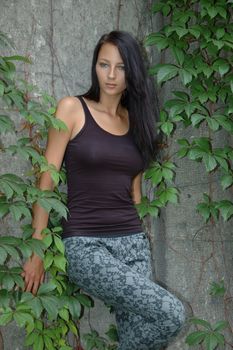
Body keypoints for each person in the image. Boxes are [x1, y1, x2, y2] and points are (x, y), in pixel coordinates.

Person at [22, 30, 185, 350]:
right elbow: (47, 179)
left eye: (121, 67)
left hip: (133, 244)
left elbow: (133, 191)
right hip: (85, 243)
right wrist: (37, 247)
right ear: (94, 67)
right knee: (172, 313)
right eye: (104, 64)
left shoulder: (137, 122)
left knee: (139, 337)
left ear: (132, 72)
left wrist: (140, 231)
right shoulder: (71, 109)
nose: (111, 75)